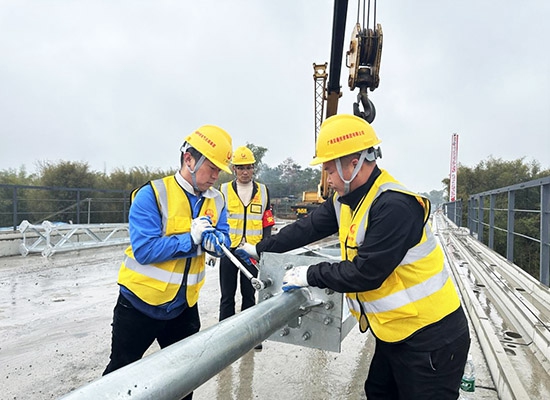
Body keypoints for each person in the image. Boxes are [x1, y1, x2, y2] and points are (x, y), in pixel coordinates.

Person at [240, 114, 470, 399]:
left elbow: (366, 273)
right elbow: (307, 228)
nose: (327, 179)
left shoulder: (395, 206)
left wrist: (309, 274)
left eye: (330, 170)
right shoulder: (346, 199)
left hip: (431, 339)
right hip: (393, 333)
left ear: (354, 162)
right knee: (377, 391)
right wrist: (262, 248)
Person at [103, 125, 233, 400]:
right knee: (119, 376)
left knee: (184, 380)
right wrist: (191, 239)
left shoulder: (218, 199)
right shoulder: (151, 195)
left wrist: (217, 244)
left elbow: (224, 238)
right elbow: (145, 250)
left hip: (183, 306)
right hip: (139, 304)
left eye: (219, 170)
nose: (215, 176)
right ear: (189, 159)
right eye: (211, 167)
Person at [218, 145, 275, 350]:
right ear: (234, 169)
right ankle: (224, 337)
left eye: (248, 168)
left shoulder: (263, 191)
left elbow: (267, 222)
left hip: (250, 252)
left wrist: (264, 248)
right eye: (240, 168)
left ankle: (251, 336)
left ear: (253, 169)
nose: (244, 172)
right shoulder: (223, 190)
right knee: (227, 296)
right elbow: (217, 218)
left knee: (249, 294)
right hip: (229, 251)